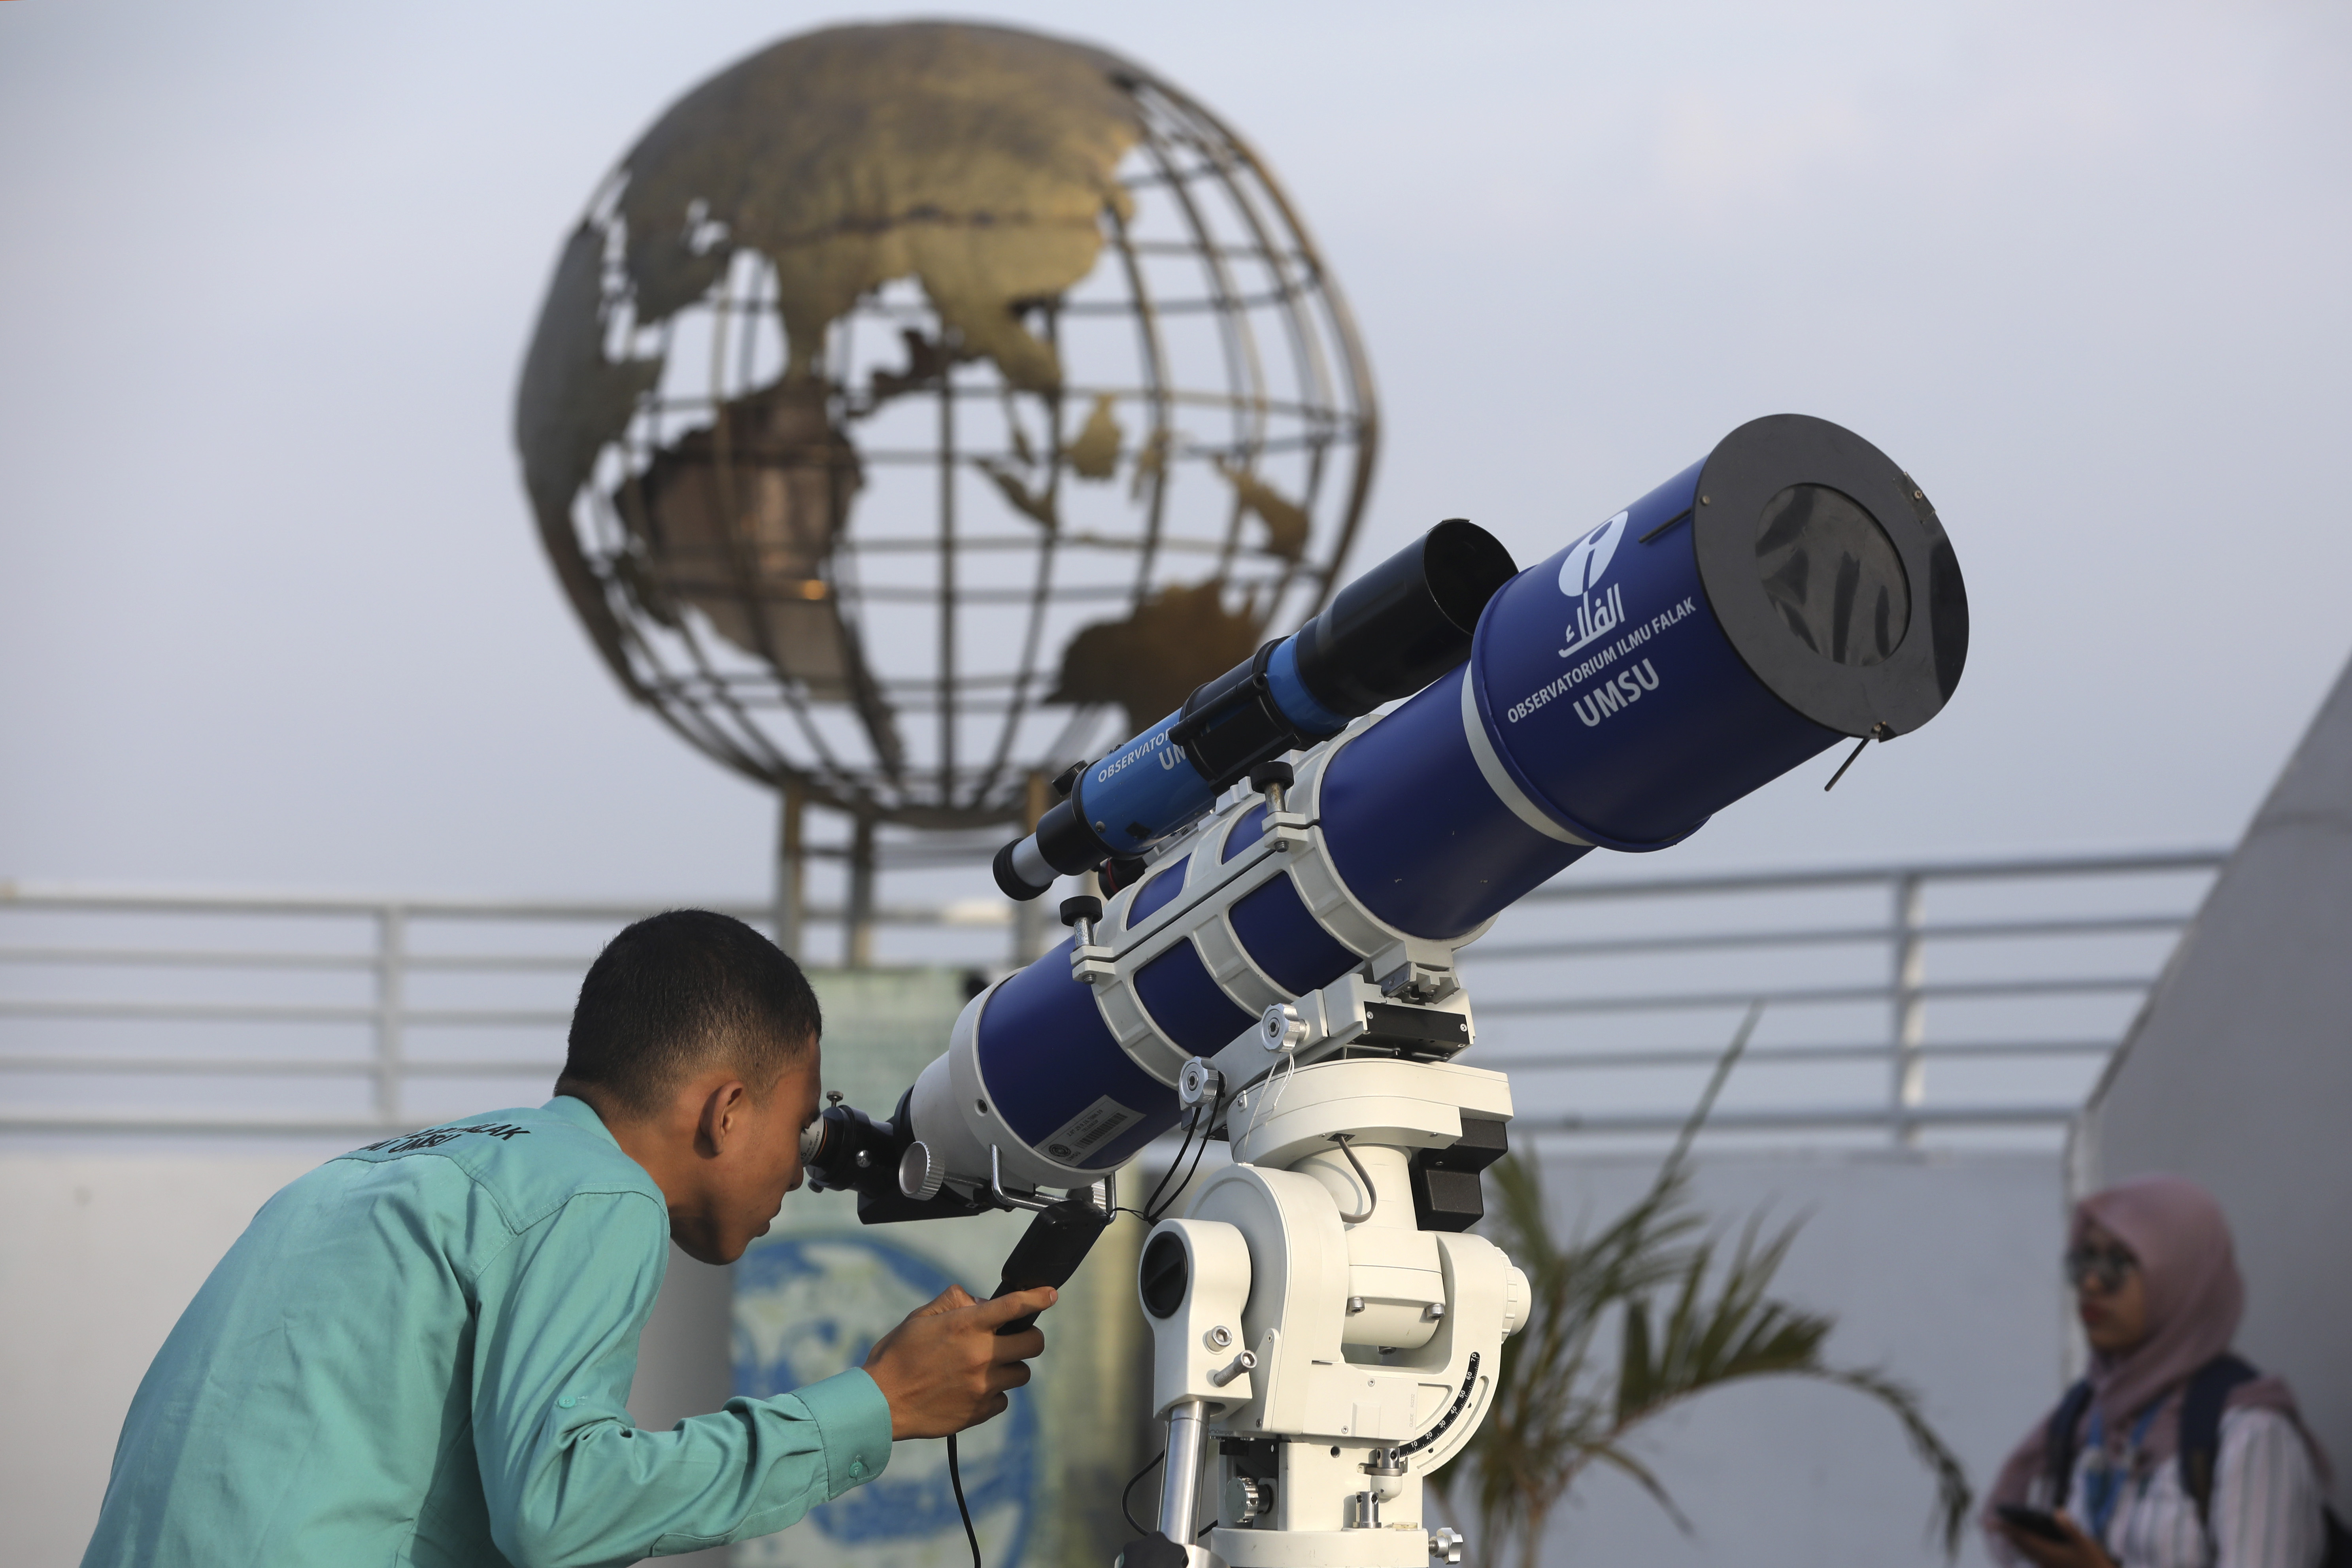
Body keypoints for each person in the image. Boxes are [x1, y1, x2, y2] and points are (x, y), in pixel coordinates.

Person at [81, 909, 1056, 1566]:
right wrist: (875, 1403)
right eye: (800, 1123)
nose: (803, 1168)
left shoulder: (364, 1178)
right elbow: (561, 1507)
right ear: (726, 1110)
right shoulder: (603, 1192)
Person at [1985, 1175, 2333, 1568]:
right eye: (2084, 1260)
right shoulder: (2084, 1415)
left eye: (2117, 1262)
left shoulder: (2249, 1435)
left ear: (2182, 1277)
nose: (2092, 1282)